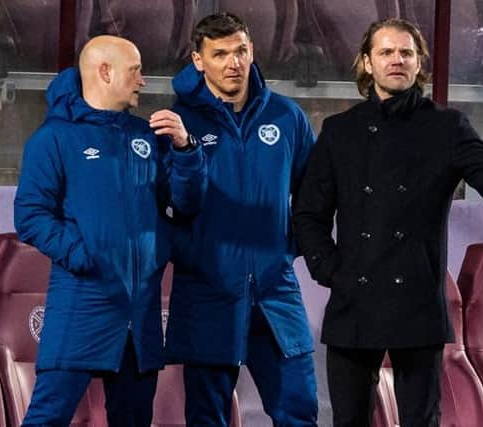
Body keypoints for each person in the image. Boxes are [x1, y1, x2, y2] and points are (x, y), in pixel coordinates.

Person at [293, 18, 483, 427]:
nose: (396, 60)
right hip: (354, 300)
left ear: (419, 62)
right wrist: (331, 270)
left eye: (406, 52)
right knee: (348, 420)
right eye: (386, 52)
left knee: (422, 420)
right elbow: (309, 212)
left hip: (416, 300)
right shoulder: (339, 132)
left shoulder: (447, 127)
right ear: (367, 63)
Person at [14, 35, 206, 426]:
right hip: (83, 302)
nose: (142, 81)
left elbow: (186, 204)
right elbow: (31, 214)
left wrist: (186, 150)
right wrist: (85, 255)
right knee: (47, 417)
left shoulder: (147, 137)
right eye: (135, 71)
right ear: (104, 72)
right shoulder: (55, 139)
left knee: (134, 419)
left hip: (141, 312)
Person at [163, 12, 318, 427]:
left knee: (299, 411)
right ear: (198, 60)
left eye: (241, 51)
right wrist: (192, 254)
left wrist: (288, 247)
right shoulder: (180, 124)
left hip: (275, 291)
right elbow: (176, 204)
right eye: (220, 54)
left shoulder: (287, 117)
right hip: (207, 291)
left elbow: (316, 195)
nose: (234, 62)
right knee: (206, 417)